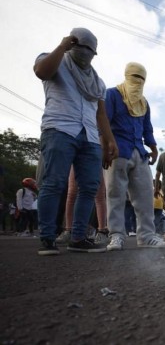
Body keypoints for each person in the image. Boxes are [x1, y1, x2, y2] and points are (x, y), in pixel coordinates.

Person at [33, 28, 118, 255]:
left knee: (90, 186)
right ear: (72, 43)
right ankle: (48, 238)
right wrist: (62, 47)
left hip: (89, 137)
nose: (86, 53)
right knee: (54, 183)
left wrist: (110, 141)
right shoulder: (54, 60)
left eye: (91, 51)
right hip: (60, 129)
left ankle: (78, 237)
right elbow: (41, 72)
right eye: (82, 47)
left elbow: (101, 114)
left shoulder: (97, 81)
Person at [104, 62, 165, 250]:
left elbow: (147, 128)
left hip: (140, 153)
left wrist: (154, 147)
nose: (138, 82)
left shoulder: (143, 102)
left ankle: (146, 236)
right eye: (135, 78)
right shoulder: (112, 94)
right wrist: (105, 148)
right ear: (126, 76)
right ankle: (116, 235)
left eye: (142, 79)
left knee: (145, 195)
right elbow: (104, 122)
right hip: (117, 150)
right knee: (115, 194)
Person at [56, 167, 108, 244]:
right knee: (71, 193)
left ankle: (102, 231)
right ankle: (69, 230)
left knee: (99, 194)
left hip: (96, 157)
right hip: (76, 157)